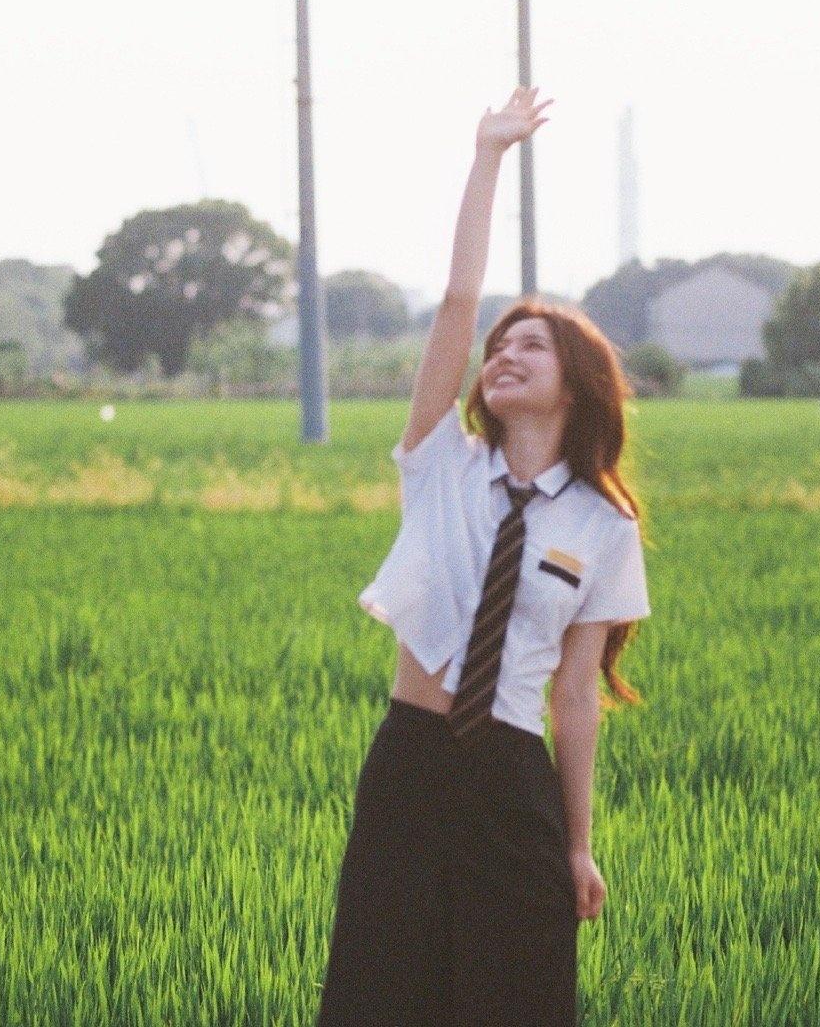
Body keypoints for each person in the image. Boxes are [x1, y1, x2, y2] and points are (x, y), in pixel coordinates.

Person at [315, 86, 652, 1027]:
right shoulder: (441, 467)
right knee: (382, 998)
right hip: (411, 764)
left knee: (515, 1001)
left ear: (578, 383)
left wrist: (578, 845)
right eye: (499, 348)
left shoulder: (604, 527)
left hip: (513, 779)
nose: (503, 354)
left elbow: (574, 697)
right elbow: (459, 305)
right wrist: (487, 158)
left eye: (531, 346)